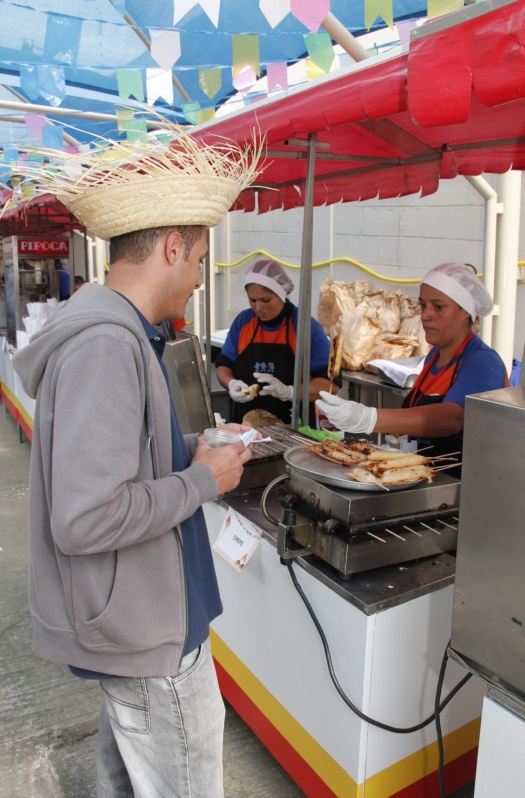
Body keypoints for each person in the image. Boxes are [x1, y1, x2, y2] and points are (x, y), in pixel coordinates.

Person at [13, 123, 262, 798]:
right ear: (173, 247)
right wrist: (200, 480)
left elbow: (120, 458)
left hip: (147, 618)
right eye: (200, 259)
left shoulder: (123, 332)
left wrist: (191, 451)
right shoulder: (105, 346)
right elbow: (86, 517)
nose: (198, 278)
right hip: (142, 629)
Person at [317, 262, 508, 476]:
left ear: (466, 313)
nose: (425, 315)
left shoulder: (483, 363)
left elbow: (452, 418)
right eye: (423, 305)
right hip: (424, 479)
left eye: (438, 307)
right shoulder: (434, 357)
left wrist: (369, 418)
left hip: (462, 490)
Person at [215, 258, 340, 425]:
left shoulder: (305, 327)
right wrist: (231, 383)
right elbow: (223, 365)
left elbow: (332, 385)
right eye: (252, 300)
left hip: (294, 428)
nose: (258, 308)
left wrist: (290, 392)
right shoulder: (243, 322)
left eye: (265, 300)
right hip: (245, 427)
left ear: (281, 294)